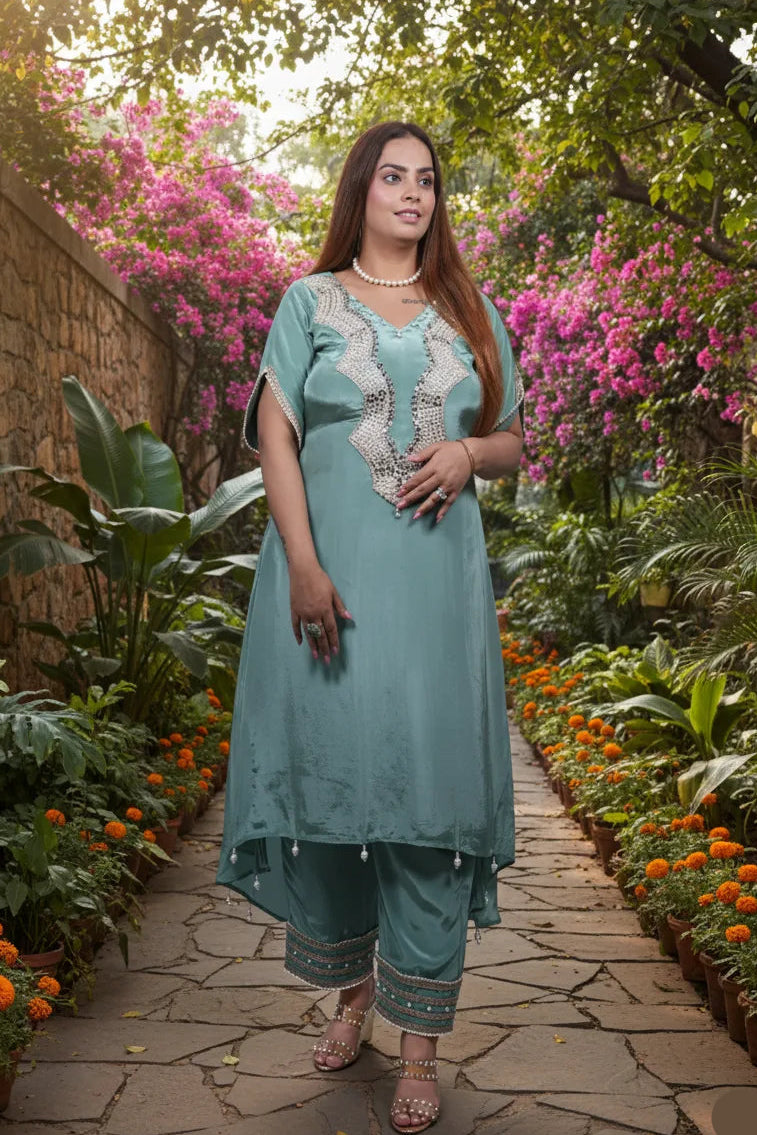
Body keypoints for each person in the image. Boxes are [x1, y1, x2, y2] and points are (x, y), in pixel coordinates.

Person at [216, 120, 524, 1132]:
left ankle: (420, 1043)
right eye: (393, 177)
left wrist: (466, 457)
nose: (413, 194)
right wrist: (303, 566)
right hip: (330, 593)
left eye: (427, 180)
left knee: (427, 810)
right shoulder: (307, 302)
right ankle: (356, 997)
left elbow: (513, 439)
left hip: (436, 602)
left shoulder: (468, 309)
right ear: (361, 190)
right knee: (337, 799)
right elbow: (278, 430)